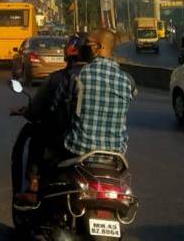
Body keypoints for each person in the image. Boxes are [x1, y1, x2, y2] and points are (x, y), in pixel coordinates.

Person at [14, 35, 88, 200]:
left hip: (65, 140)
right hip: (107, 149)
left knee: (38, 137)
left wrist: (28, 111)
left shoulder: (65, 78)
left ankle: (34, 184)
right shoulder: (114, 79)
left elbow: (48, 108)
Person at [52, 28, 137, 157]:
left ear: (97, 47)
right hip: (115, 155)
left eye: (87, 43)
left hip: (77, 150)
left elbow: (55, 105)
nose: (84, 47)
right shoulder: (127, 81)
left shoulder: (76, 75)